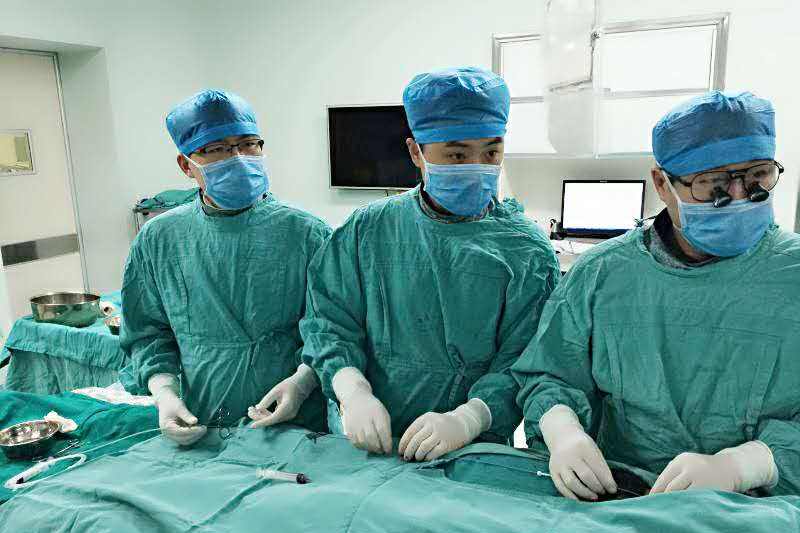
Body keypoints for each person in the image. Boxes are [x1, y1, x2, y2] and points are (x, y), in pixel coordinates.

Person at [513, 91, 800, 500]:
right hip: (622, 497)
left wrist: (747, 464)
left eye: (758, 177)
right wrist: (563, 431)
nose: (739, 197)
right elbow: (550, 374)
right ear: (662, 184)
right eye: (713, 184)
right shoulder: (601, 274)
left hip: (758, 509)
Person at [300, 67, 560, 460]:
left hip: (469, 450)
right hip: (370, 441)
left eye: (491, 152)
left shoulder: (526, 251)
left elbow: (527, 358)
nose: (477, 166)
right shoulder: (367, 230)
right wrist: (353, 391)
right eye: (457, 154)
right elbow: (329, 321)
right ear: (415, 153)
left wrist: (469, 418)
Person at [121, 89, 329, 445]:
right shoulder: (159, 239)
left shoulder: (308, 234)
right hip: (202, 423)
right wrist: (165, 394)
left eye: (248, 145)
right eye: (216, 149)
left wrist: (303, 381)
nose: (237, 158)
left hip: (297, 425)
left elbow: (333, 327)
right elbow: (147, 334)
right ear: (186, 165)